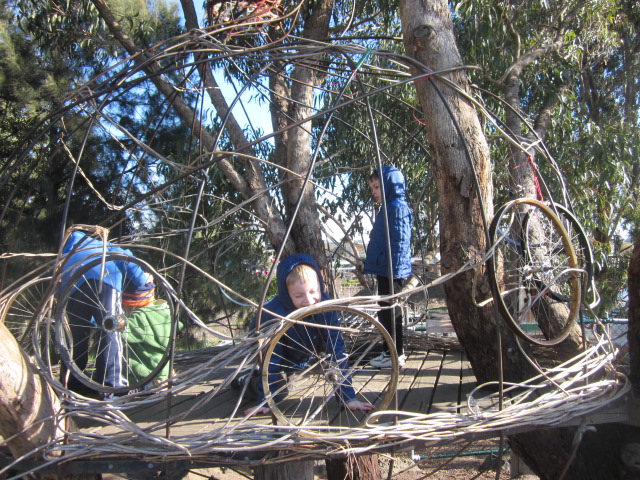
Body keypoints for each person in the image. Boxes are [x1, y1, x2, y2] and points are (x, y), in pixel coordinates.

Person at [233, 253, 374, 416]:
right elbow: (271, 358)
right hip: (271, 353)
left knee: (291, 379)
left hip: (303, 352)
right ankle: (245, 380)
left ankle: (288, 373)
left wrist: (348, 397)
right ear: (287, 294)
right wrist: (265, 400)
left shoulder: (325, 307)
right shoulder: (275, 314)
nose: (308, 300)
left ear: (320, 286)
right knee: (280, 389)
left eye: (313, 291)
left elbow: (337, 349)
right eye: (298, 295)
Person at [59, 228, 152, 395]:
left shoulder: (69, 250)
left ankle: (74, 382)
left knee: (76, 334)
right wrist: (143, 278)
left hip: (72, 285)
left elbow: (57, 276)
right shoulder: (107, 246)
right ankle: (111, 384)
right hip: (105, 278)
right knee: (111, 328)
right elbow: (127, 261)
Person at [363, 166, 412, 368]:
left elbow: (399, 241)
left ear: (389, 186)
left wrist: (393, 267)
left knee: (390, 312)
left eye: (377, 187)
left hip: (391, 269)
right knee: (387, 311)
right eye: (372, 188)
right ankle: (391, 352)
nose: (373, 192)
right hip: (386, 267)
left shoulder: (396, 208)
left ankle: (393, 353)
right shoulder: (389, 207)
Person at [121, 282, 176, 389]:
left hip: (147, 373)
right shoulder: (165, 309)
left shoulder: (139, 318)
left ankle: (148, 385)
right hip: (165, 369)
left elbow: (123, 333)